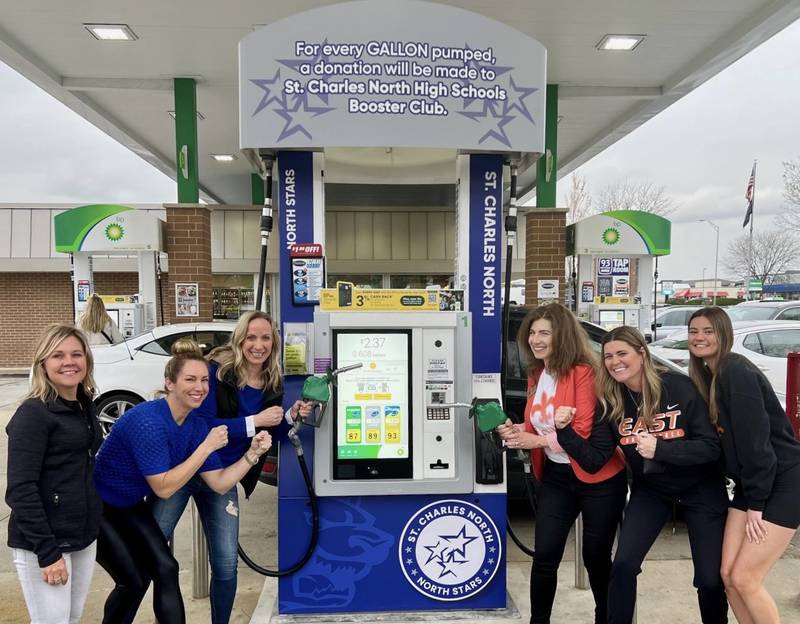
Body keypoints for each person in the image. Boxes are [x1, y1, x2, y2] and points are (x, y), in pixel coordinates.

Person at [555, 325, 728, 624]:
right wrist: (564, 431)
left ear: (642, 354)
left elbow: (711, 448)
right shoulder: (610, 401)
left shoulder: (677, 386)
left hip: (701, 488)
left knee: (709, 580)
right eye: (608, 356)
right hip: (652, 491)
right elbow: (595, 460)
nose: (614, 361)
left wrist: (662, 450)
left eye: (622, 353)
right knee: (623, 566)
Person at [93, 340, 272, 624]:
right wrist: (206, 448)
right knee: (134, 581)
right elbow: (163, 487)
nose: (199, 387)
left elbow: (220, 484)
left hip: (129, 505)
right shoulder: (148, 421)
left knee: (165, 567)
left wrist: (252, 455)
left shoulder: (196, 426)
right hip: (97, 506)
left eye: (204, 380)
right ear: (170, 383)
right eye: (190, 379)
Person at [149, 311, 311, 624]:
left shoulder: (272, 381)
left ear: (274, 343)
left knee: (225, 565)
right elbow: (201, 424)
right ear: (239, 339)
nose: (258, 345)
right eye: (251, 337)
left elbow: (269, 432)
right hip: (183, 469)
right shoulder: (216, 372)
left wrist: (290, 416)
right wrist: (253, 422)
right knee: (152, 552)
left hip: (224, 476)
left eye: (266, 338)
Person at [496, 304, 628, 624]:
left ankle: (605, 617)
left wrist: (536, 441)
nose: (536, 339)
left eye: (545, 333)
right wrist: (517, 431)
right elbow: (539, 423)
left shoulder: (584, 372)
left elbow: (580, 429)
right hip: (557, 475)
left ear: (562, 336)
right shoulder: (538, 373)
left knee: (595, 559)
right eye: (532, 332)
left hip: (599, 479)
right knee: (544, 557)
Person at [688, 306, 800, 624]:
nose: (699, 337)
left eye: (708, 331)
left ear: (725, 334)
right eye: (694, 331)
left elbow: (757, 446)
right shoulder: (709, 376)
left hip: (781, 481)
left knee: (747, 579)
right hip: (752, 485)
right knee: (727, 575)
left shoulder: (734, 371)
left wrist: (758, 504)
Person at [6, 324, 103, 624]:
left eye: (76, 354)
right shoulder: (33, 414)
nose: (69, 362)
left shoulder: (83, 405)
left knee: (70, 620)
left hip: (82, 538)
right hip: (44, 543)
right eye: (58, 355)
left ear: (86, 360)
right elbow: (20, 489)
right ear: (43, 364)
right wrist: (48, 553)